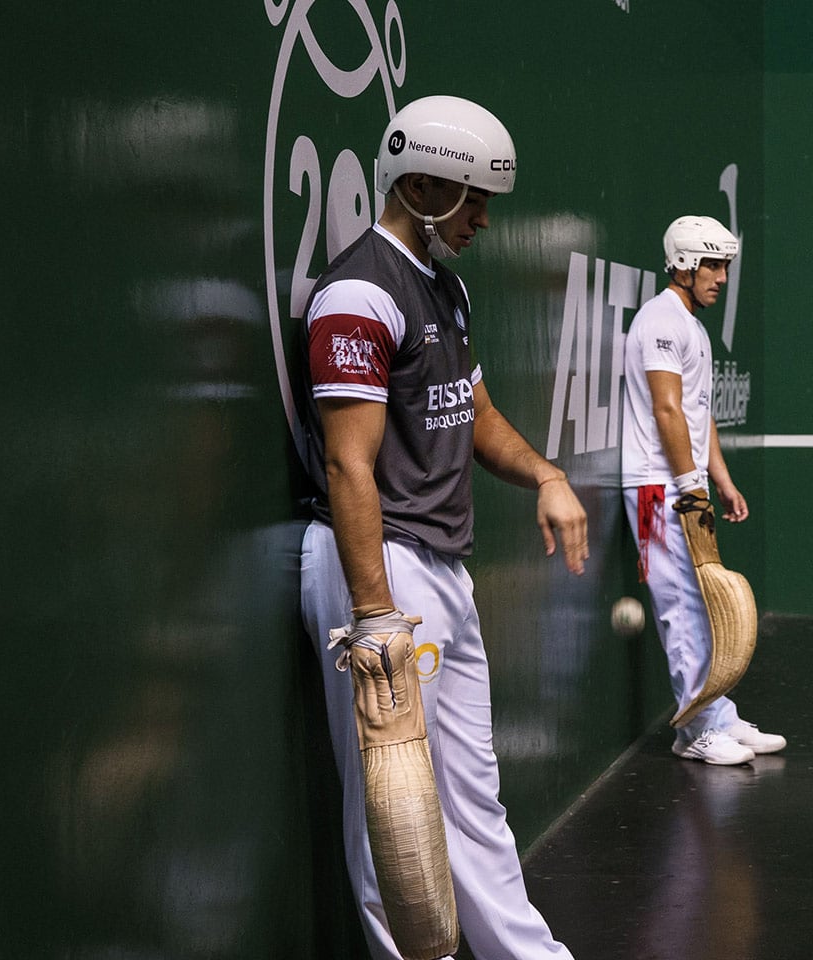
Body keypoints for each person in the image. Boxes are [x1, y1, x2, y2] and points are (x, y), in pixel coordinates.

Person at [298, 95, 588, 960]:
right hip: (380, 567)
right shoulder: (359, 292)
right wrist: (375, 614)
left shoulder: (445, 289)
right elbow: (349, 465)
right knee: (392, 805)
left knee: (472, 797)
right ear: (419, 186)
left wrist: (547, 474)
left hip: (443, 569)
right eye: (472, 199)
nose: (483, 220)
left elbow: (477, 411)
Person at [619, 215, 786, 766]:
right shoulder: (660, 321)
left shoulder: (691, 326)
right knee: (680, 605)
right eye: (712, 265)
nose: (721, 277)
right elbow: (666, 408)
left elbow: (697, 413)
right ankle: (695, 729)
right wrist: (691, 485)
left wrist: (721, 480)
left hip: (681, 485)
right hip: (655, 488)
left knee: (702, 601)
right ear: (684, 265)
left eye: (725, 266)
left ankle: (715, 713)